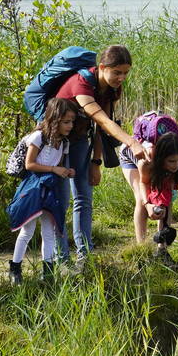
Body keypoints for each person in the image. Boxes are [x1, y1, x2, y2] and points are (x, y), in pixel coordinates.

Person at [54, 45, 146, 260]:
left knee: (83, 197)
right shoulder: (81, 83)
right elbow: (102, 120)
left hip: (78, 139)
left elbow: (100, 129)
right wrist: (132, 143)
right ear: (103, 67)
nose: (122, 77)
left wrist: (96, 162)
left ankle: (85, 256)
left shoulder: (112, 89)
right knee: (60, 200)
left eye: (125, 73)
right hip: (55, 143)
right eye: (117, 72)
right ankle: (60, 258)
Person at [6, 98, 78, 284]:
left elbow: (57, 164)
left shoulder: (63, 143)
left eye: (72, 121)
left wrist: (66, 171)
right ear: (54, 119)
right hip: (33, 188)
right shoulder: (38, 137)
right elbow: (30, 164)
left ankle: (47, 272)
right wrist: (55, 170)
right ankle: (15, 268)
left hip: (49, 188)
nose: (70, 125)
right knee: (27, 230)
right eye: (66, 121)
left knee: (49, 230)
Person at [138, 132, 178, 266]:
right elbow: (143, 182)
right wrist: (147, 204)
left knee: (165, 201)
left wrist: (162, 206)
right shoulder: (146, 163)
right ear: (161, 158)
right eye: (171, 161)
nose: (177, 164)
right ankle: (141, 250)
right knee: (140, 200)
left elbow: (168, 193)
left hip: (159, 169)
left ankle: (161, 249)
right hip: (132, 159)